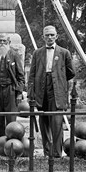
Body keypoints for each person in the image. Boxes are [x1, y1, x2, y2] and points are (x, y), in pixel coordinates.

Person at [27, 25, 75, 157]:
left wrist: (59, 79)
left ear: (56, 36)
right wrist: (31, 92)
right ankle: (47, 152)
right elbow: (32, 74)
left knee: (57, 121)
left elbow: (71, 73)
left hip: (57, 90)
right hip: (41, 89)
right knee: (43, 121)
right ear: (43, 37)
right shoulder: (37, 53)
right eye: (47, 35)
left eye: (52, 35)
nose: (49, 37)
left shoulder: (64, 53)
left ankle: (57, 153)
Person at [0, 34, 25, 139]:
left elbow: (21, 75)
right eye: (0, 41)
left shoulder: (14, 55)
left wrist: (19, 93)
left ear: (9, 42)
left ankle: (11, 143)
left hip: (10, 90)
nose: (2, 43)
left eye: (4, 41)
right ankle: (0, 142)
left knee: (11, 118)